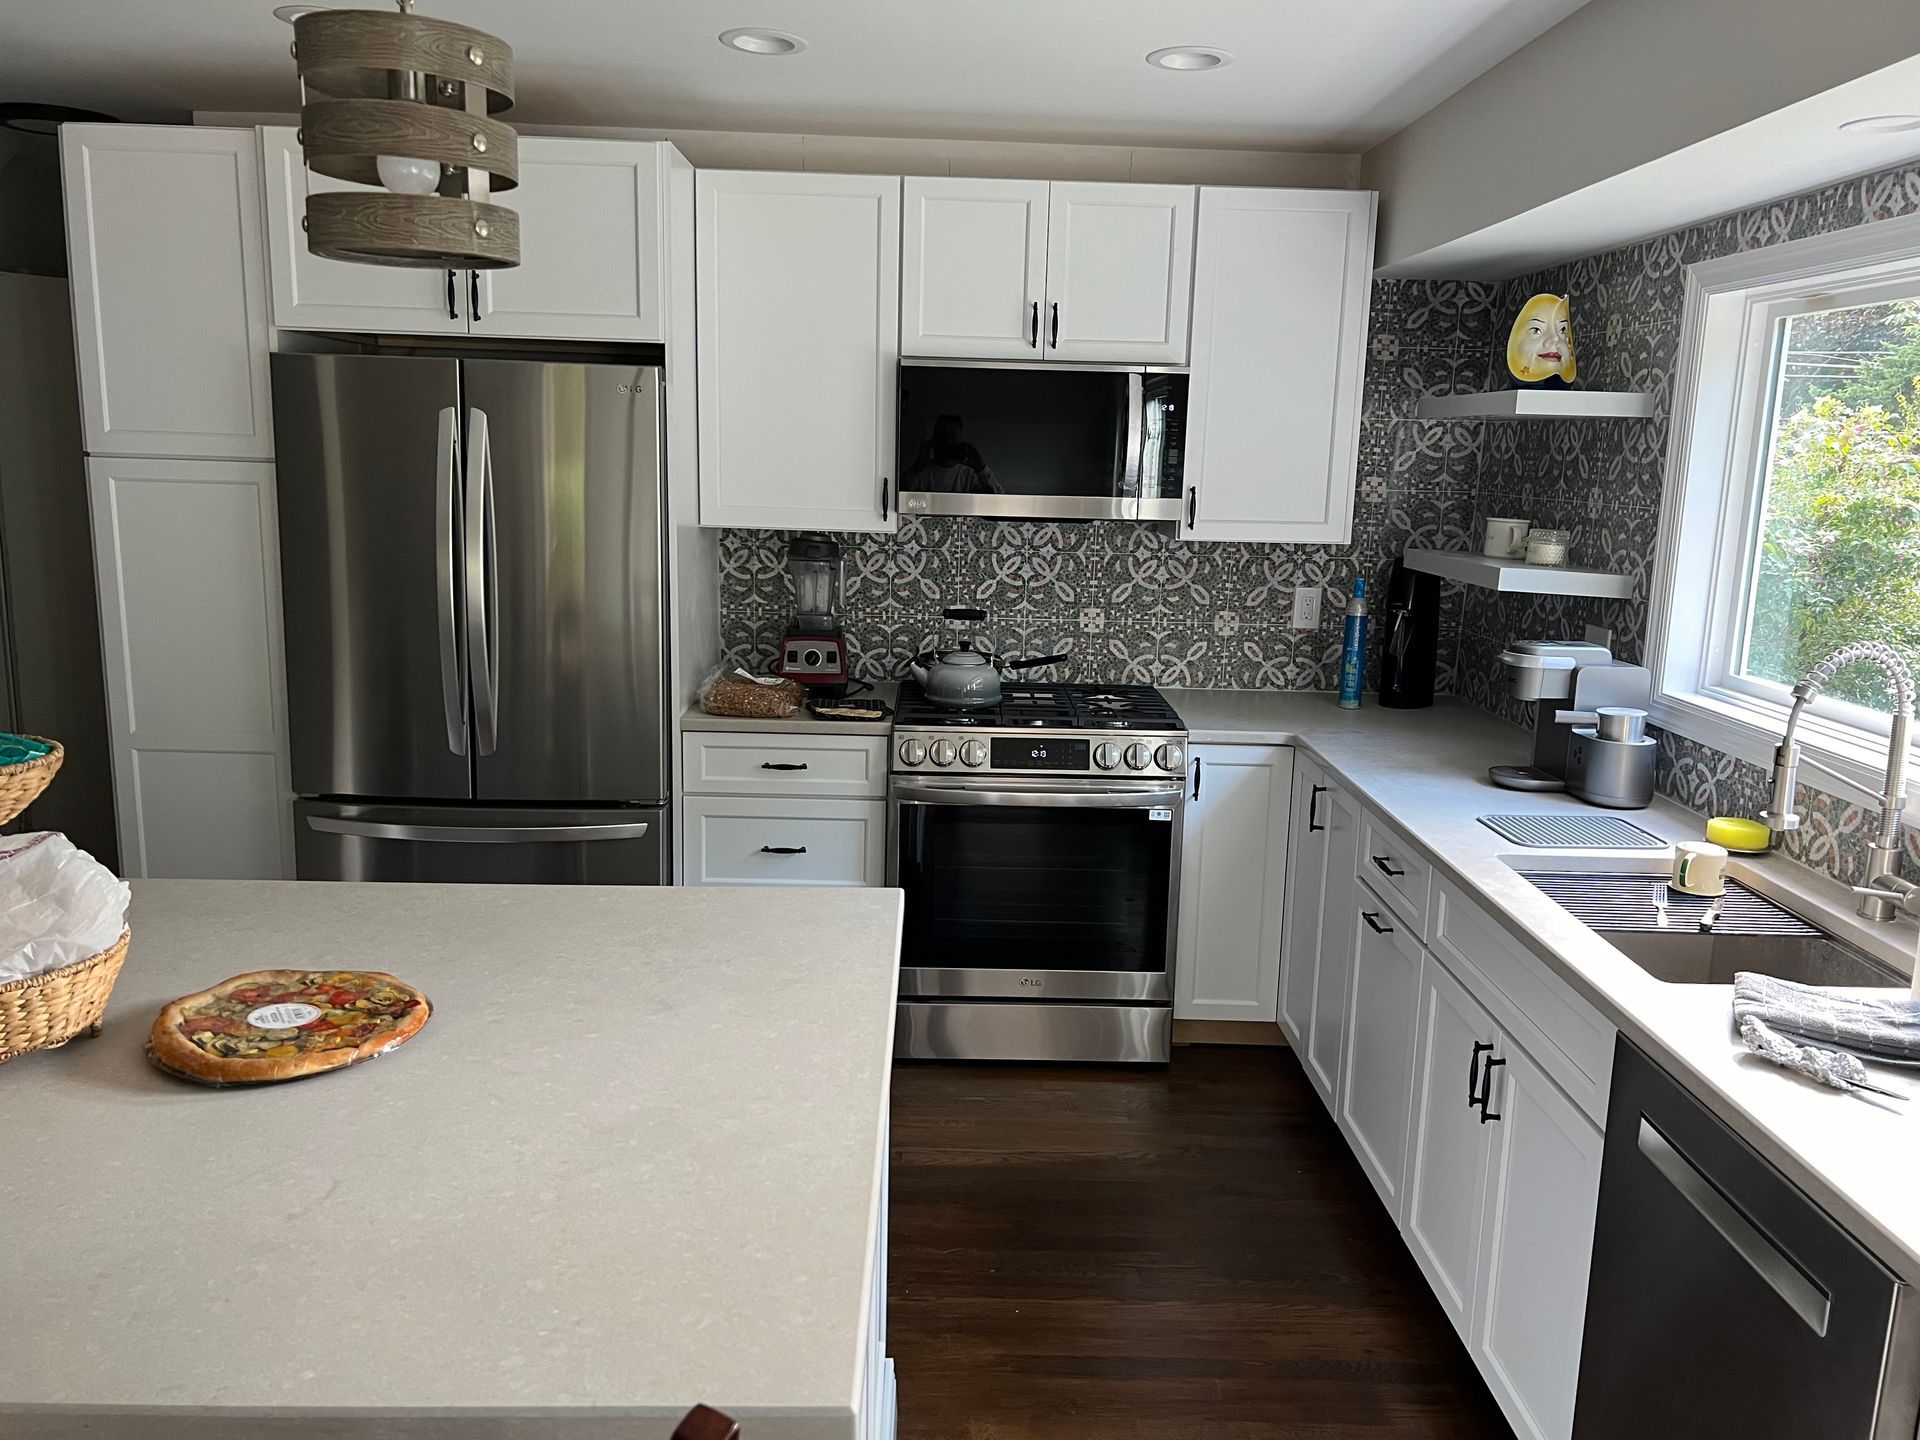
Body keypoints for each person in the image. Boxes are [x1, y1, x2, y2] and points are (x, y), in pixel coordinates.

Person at [906, 414, 1002, 494]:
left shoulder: (970, 475)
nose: (948, 440)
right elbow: (901, 495)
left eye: (953, 435)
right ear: (934, 439)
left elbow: (998, 499)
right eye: (942, 435)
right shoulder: (922, 473)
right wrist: (918, 466)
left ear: (960, 439)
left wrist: (981, 468)